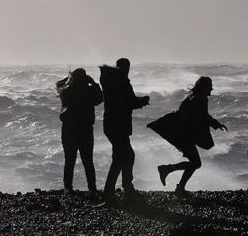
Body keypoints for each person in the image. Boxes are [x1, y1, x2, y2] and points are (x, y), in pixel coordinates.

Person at [149, 76, 227, 195]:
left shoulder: (194, 97)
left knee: (195, 162)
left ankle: (177, 184)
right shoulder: (199, 99)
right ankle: (168, 172)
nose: (212, 89)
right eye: (210, 86)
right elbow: (201, 116)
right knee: (196, 163)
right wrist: (216, 124)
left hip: (184, 134)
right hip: (184, 135)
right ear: (205, 87)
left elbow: (197, 117)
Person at [99, 58, 150, 205]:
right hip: (119, 125)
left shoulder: (109, 81)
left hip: (111, 125)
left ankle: (124, 189)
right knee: (121, 158)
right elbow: (131, 102)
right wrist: (144, 100)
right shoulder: (122, 82)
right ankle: (114, 192)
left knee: (125, 156)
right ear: (127, 68)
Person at [56, 68, 103, 199]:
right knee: (88, 161)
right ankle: (92, 189)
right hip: (85, 130)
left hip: (69, 129)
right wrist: (93, 82)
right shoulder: (89, 91)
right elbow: (100, 98)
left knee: (69, 161)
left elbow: (58, 85)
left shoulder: (67, 91)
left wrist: (69, 79)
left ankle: (67, 188)